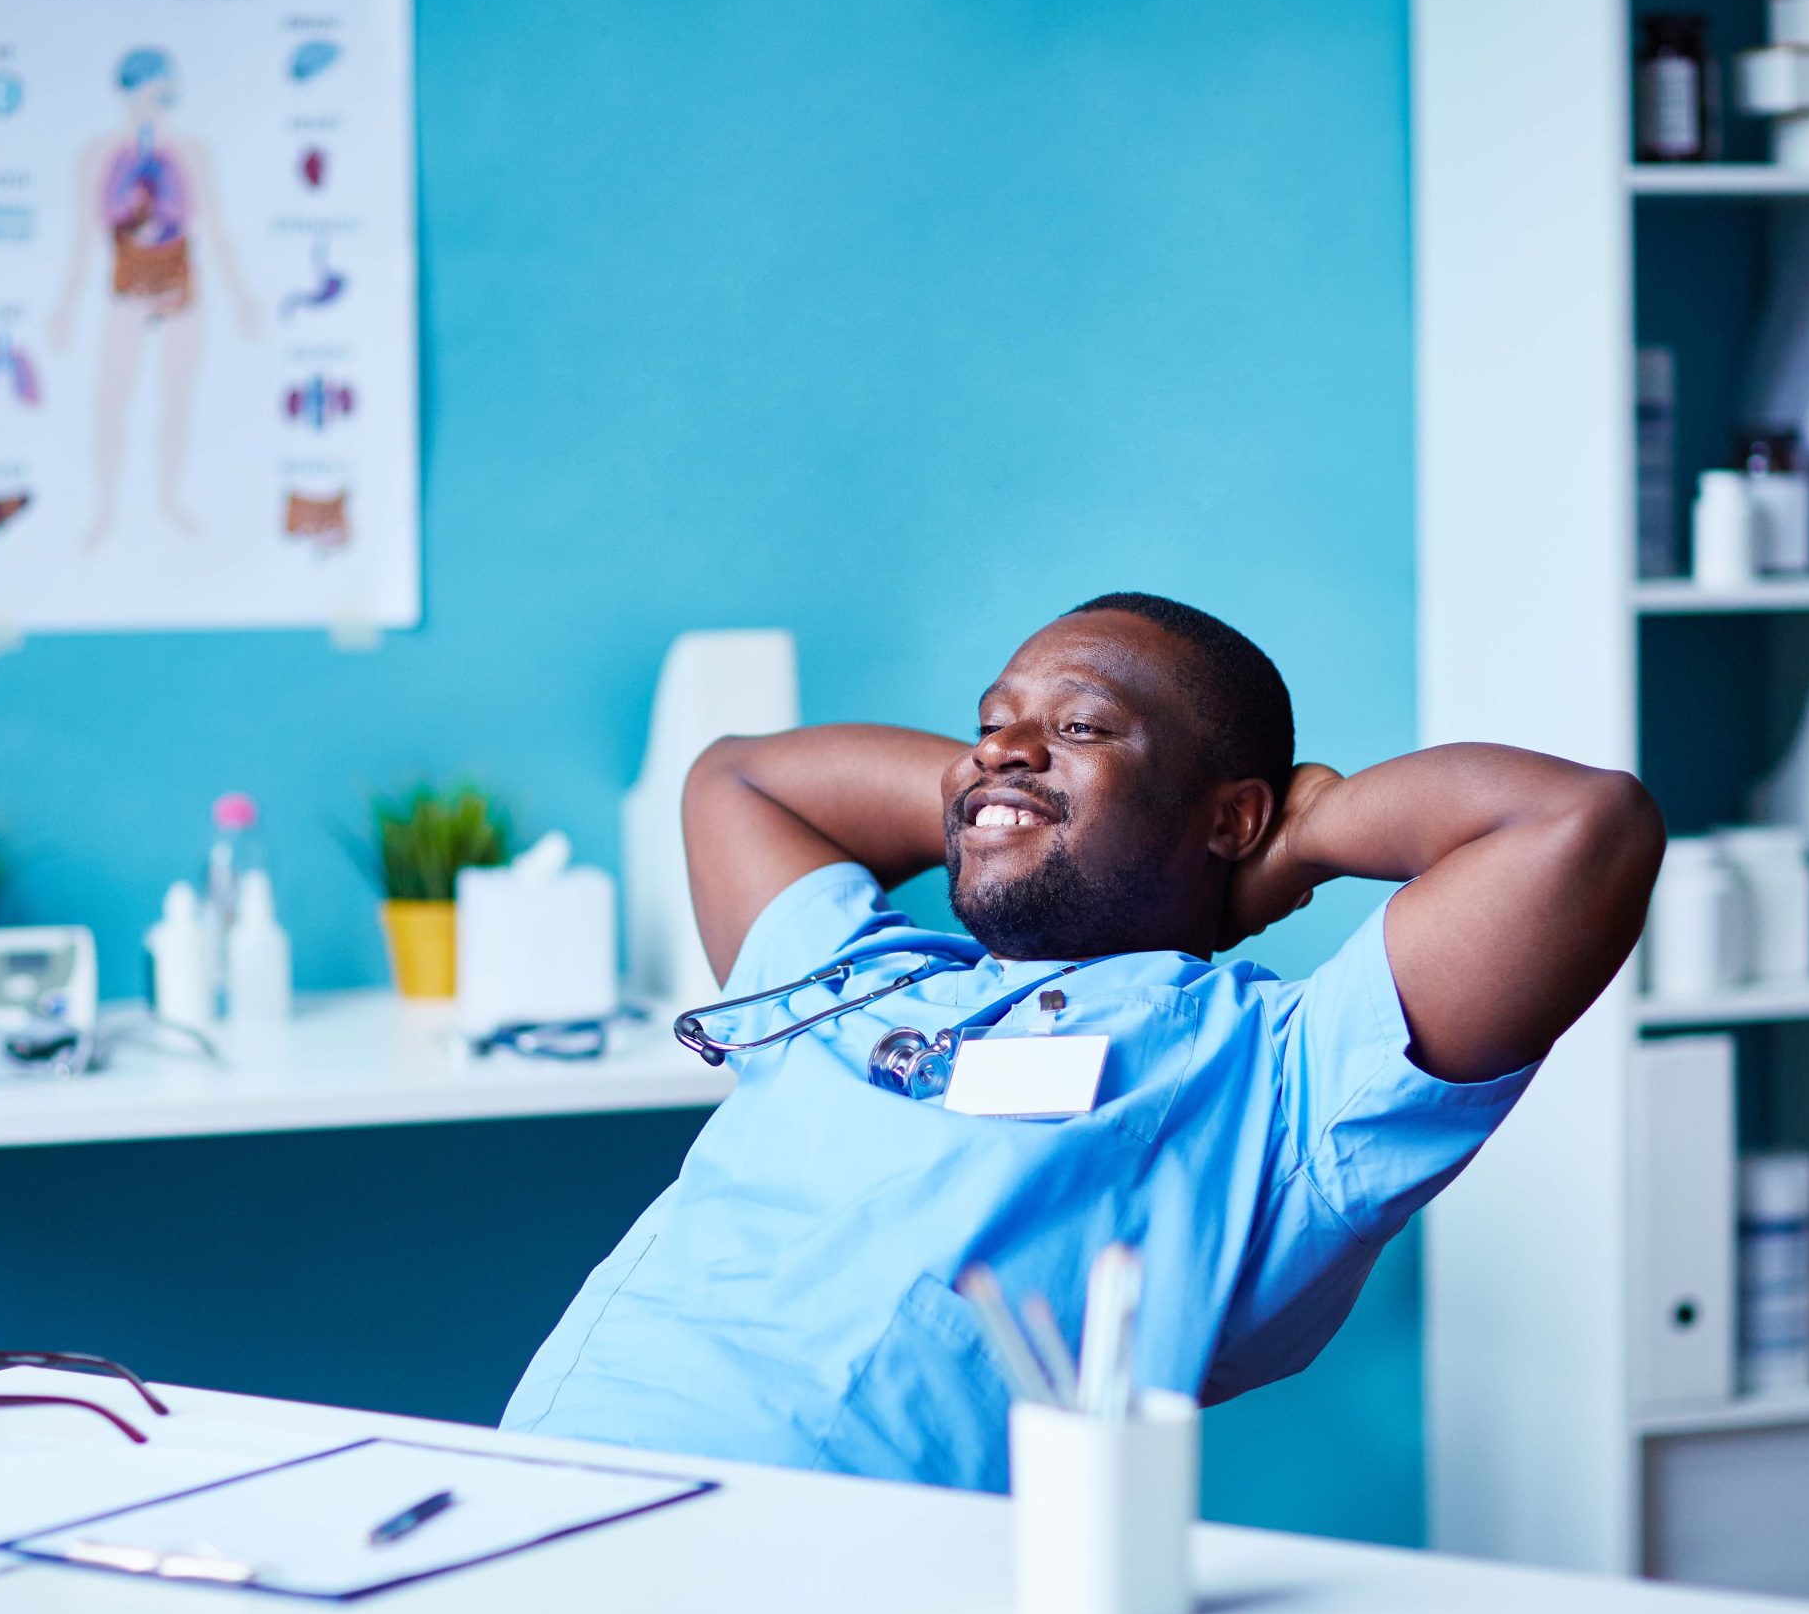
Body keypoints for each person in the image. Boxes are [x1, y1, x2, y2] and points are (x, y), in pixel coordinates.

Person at [500, 592, 1663, 1492]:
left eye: (1084, 725)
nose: (1002, 746)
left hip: (817, 1582)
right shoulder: (862, 975)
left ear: (1229, 813)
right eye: (988, 723)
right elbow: (737, 778)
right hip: (535, 1494)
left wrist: (1292, 840)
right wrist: (1004, 790)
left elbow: (1579, 826)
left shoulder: (1282, 1075)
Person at [44, 46, 260, 549]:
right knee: (113, 398)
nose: (164, 99)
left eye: (169, 89)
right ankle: (106, 507)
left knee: (176, 398)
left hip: (180, 282)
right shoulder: (98, 155)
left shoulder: (192, 153)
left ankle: (168, 497)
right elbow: (81, 238)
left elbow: (218, 230)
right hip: (126, 284)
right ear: (132, 91)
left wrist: (243, 297)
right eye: (156, 88)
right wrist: (66, 308)